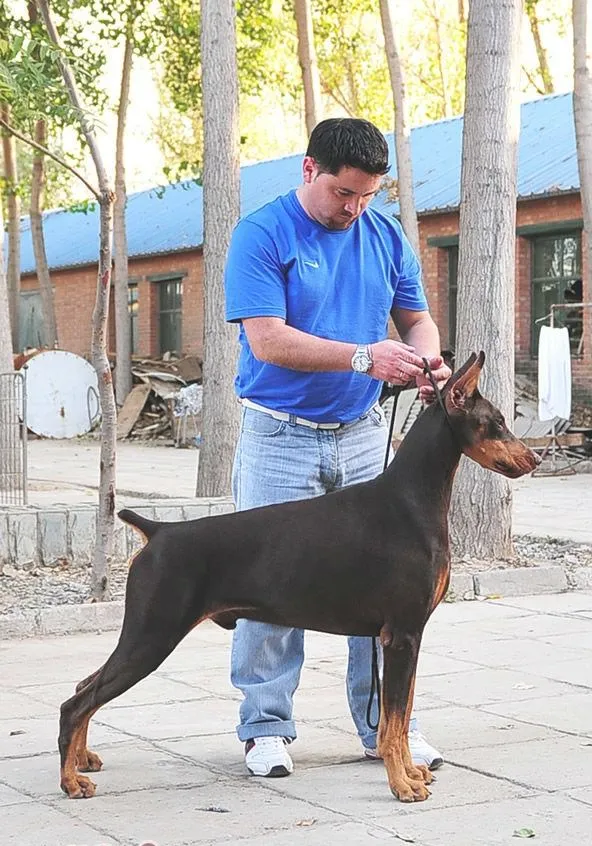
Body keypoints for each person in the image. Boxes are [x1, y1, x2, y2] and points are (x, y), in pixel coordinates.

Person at [224, 117, 451, 779]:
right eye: (343, 193)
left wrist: (429, 360)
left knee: (392, 589)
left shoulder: (382, 234)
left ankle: (385, 730)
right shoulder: (261, 234)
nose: (353, 208)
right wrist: (363, 357)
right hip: (278, 436)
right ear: (308, 170)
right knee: (267, 581)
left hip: (361, 441)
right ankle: (265, 727)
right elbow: (267, 340)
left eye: (366, 196)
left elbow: (416, 317)